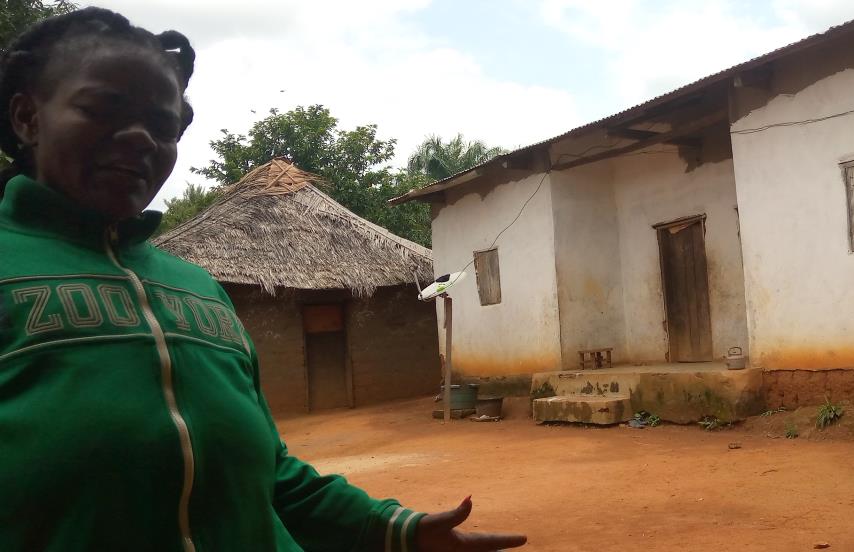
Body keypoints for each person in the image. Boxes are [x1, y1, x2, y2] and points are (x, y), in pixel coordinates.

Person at [0, 8, 526, 551]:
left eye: (162, 125)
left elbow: (270, 476)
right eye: (101, 109)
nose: (139, 138)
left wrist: (397, 529)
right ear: (26, 117)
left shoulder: (198, 289)